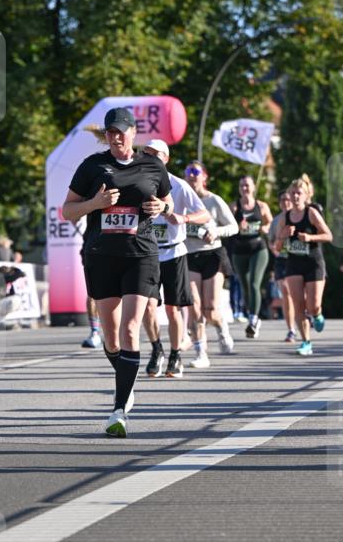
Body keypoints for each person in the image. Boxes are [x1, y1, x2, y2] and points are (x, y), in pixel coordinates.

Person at [62, 107, 173, 437]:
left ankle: (119, 410)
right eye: (110, 131)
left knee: (130, 328)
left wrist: (161, 207)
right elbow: (67, 211)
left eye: (121, 131)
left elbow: (167, 203)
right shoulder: (92, 167)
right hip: (101, 256)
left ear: (133, 132)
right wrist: (94, 205)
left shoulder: (152, 165)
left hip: (140, 255)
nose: (116, 136)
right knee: (111, 337)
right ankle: (127, 378)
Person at [140, 140, 212, 378]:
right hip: (147, 252)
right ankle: (156, 349)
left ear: (166, 159)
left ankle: (175, 354)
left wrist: (184, 219)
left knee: (173, 309)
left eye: (156, 154)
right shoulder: (137, 182)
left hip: (174, 252)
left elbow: (204, 214)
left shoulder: (179, 186)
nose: (150, 157)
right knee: (148, 307)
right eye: (146, 153)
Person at [184, 160, 238, 368]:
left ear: (204, 176)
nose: (191, 175)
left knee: (210, 310)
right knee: (194, 307)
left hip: (213, 254)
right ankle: (201, 353)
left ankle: (221, 327)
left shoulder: (214, 201)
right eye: (188, 171)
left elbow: (233, 226)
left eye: (195, 171)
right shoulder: (181, 199)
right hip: (189, 256)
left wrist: (216, 232)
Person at [276, 177, 332, 357]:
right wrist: (283, 235)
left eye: (298, 193)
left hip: (314, 262)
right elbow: (277, 247)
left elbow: (328, 236)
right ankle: (306, 342)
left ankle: (317, 315)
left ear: (306, 195)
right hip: (293, 263)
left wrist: (310, 238)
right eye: (292, 193)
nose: (295, 196)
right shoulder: (285, 218)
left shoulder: (312, 213)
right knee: (299, 305)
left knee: (313, 305)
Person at [229, 175, 273, 338]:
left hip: (258, 248)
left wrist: (265, 228)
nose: (244, 188)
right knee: (244, 286)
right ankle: (252, 315)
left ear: (254, 187)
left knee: (254, 283)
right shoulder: (234, 207)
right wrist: (236, 226)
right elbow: (225, 226)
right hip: (239, 250)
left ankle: (253, 320)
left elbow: (271, 224)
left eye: (247, 185)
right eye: (242, 185)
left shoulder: (261, 206)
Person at [269, 190, 298, 341]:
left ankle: (306, 313)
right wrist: (276, 250)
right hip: (281, 259)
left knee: (298, 294)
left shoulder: (299, 217)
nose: (285, 202)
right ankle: (291, 329)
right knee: (286, 293)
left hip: (298, 259)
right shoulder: (276, 221)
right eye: (282, 200)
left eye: (288, 199)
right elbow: (271, 241)